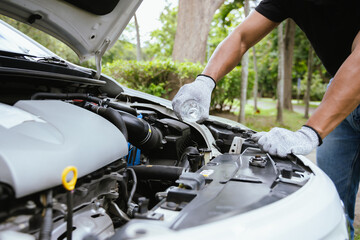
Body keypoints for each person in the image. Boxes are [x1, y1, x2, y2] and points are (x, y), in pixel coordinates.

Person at [171, 0, 360, 238]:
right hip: (341, 92)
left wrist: (310, 132)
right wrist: (205, 81)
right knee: (333, 204)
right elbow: (241, 36)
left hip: (352, 82)